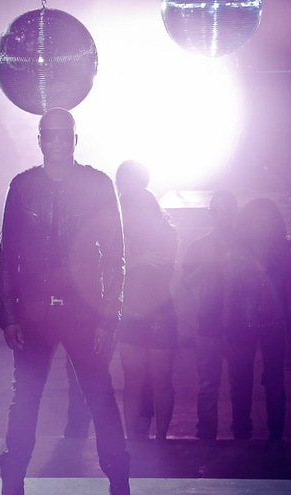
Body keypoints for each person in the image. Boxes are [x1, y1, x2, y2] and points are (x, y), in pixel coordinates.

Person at [0, 107, 130, 495]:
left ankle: (119, 483)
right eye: (49, 134)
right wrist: (9, 315)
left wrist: (108, 318)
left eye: (63, 133)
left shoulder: (97, 184)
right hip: (33, 312)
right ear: (39, 139)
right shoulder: (22, 186)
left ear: (75, 138)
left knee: (100, 397)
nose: (56, 141)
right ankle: (13, 483)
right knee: (26, 399)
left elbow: (116, 257)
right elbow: (7, 254)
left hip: (84, 311)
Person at [115, 160, 178, 441]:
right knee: (133, 381)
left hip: (160, 314)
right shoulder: (117, 231)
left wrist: (136, 260)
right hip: (131, 313)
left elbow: (164, 271)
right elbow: (108, 271)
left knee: (161, 380)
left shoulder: (164, 232)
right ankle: (132, 440)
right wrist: (136, 260)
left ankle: (161, 440)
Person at [223, 197, 291, 440]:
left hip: (275, 323)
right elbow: (229, 292)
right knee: (241, 380)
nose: (260, 225)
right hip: (242, 324)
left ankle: (276, 434)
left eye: (265, 220)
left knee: (274, 380)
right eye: (255, 221)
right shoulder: (236, 252)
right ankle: (241, 431)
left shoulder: (285, 251)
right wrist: (227, 326)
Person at [181, 190, 238, 440]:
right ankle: (207, 437)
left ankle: (240, 435)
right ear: (211, 214)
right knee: (209, 385)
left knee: (239, 385)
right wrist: (208, 265)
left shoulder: (243, 245)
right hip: (210, 324)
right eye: (218, 212)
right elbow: (185, 283)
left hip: (240, 326)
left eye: (227, 211)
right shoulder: (199, 246)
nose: (222, 217)